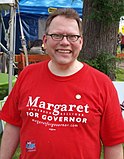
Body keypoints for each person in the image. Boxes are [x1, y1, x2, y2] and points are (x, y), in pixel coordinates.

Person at [0, 8, 124, 159]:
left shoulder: (102, 84)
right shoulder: (27, 75)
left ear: (81, 41)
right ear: (45, 40)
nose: (64, 42)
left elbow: (113, 144)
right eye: (57, 35)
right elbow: (13, 125)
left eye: (72, 36)